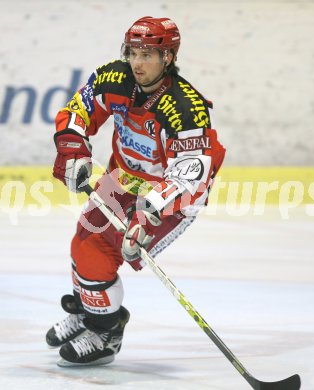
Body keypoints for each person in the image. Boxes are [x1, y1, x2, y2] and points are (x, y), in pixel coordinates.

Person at [46, 16, 226, 367]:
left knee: (110, 248)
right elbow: (79, 109)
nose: (137, 62)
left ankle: (106, 333)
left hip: (169, 197)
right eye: (133, 52)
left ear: (168, 58)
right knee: (84, 243)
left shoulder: (185, 108)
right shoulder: (115, 77)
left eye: (148, 54)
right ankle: (89, 313)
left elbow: (190, 174)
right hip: (122, 179)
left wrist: (148, 211)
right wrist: (73, 148)